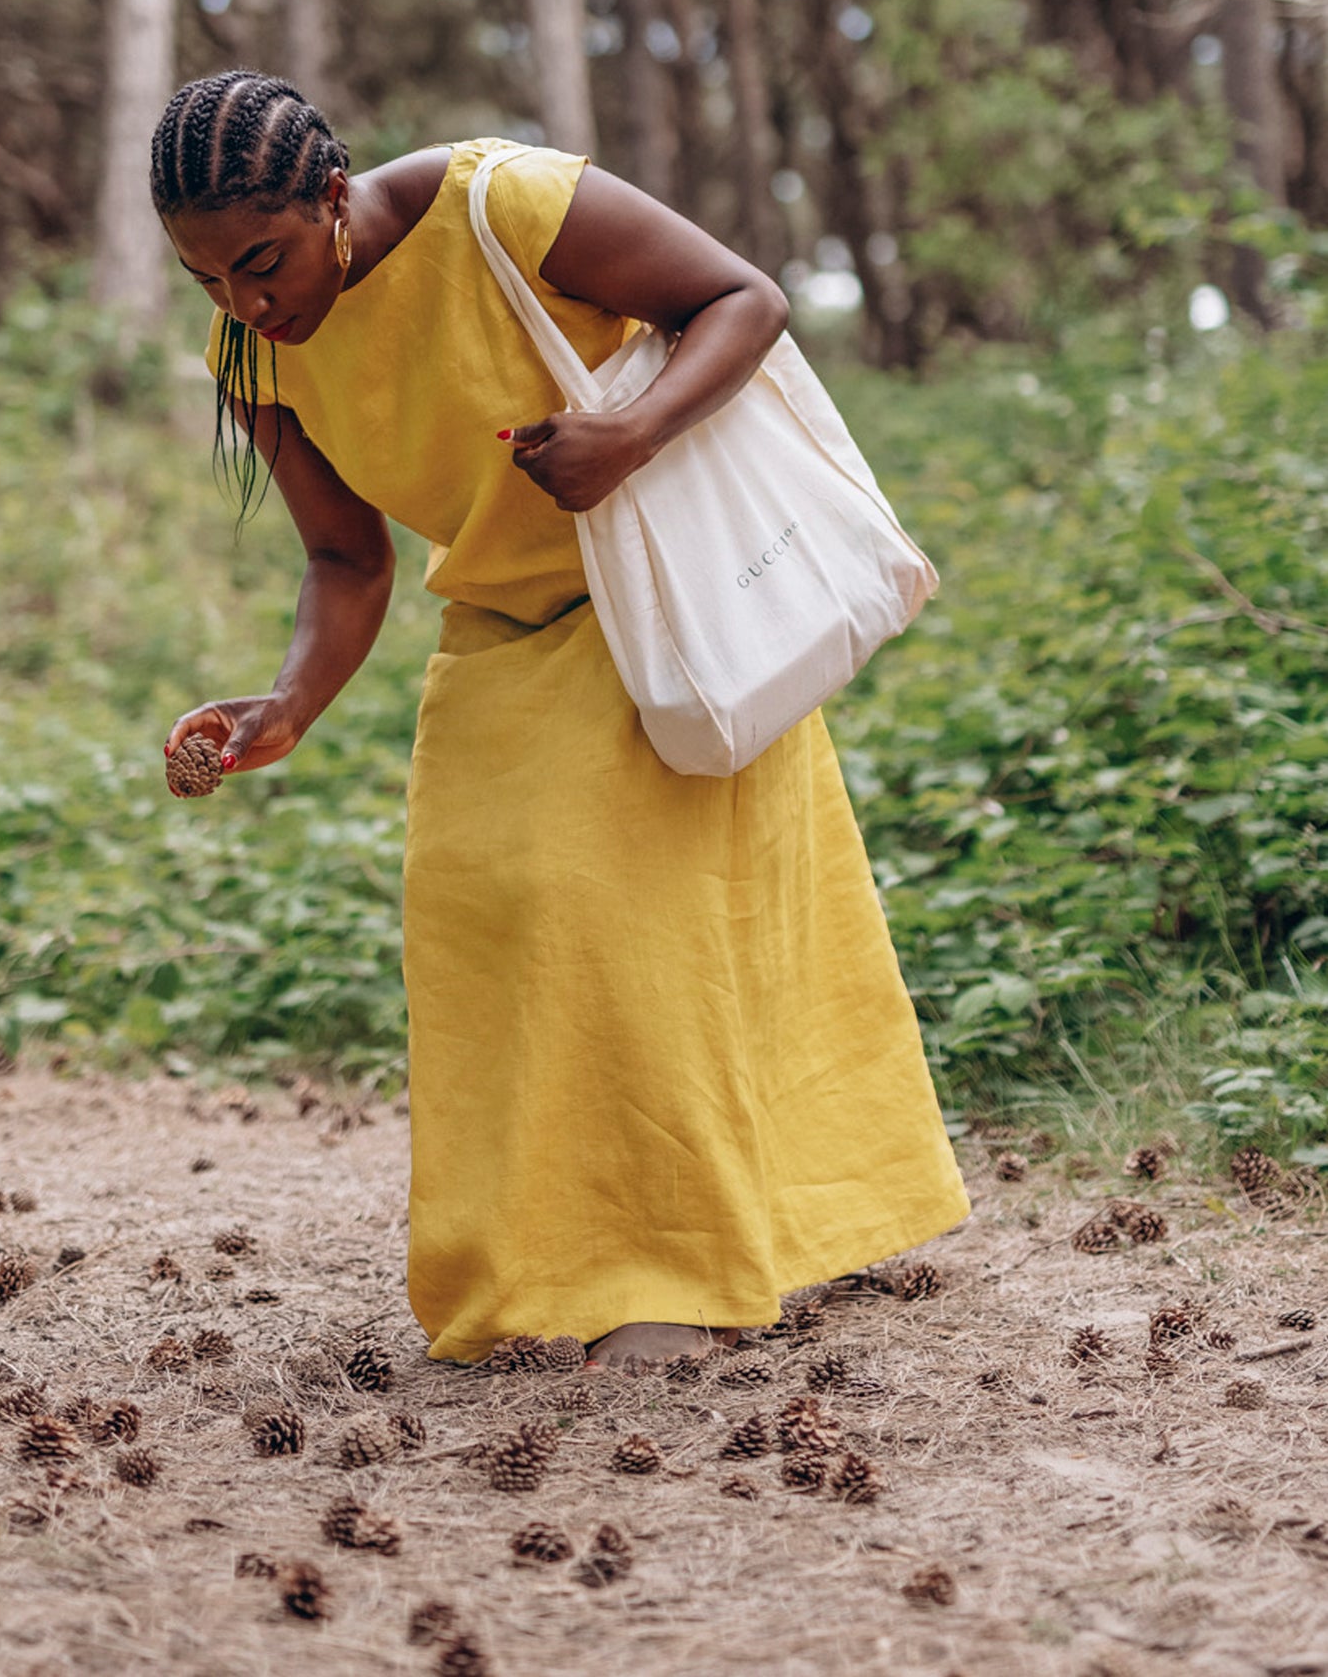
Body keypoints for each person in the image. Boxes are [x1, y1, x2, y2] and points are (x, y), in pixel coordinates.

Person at [153, 68, 969, 1371]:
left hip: (661, 604)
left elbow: (740, 297)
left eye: (261, 260)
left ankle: (671, 1278)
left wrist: (629, 430)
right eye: (207, 281)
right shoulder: (252, 347)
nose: (247, 303)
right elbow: (346, 562)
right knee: (475, 910)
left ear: (329, 194)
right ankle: (539, 1268)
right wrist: (286, 703)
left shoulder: (505, 203)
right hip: (500, 626)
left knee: (613, 916)